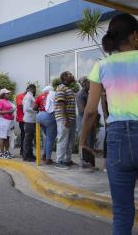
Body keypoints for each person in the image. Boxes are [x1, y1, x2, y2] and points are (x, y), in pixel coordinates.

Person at [79, 13, 138, 235]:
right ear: (135, 35)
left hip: (118, 138)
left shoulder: (102, 66)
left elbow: (91, 111)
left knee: (122, 212)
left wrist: (83, 140)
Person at [54, 71, 77, 169]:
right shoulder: (61, 88)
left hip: (71, 118)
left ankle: (67, 160)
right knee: (63, 139)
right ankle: (59, 161)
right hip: (64, 118)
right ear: (64, 77)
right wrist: (65, 119)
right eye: (70, 75)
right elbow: (61, 103)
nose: (72, 76)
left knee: (70, 140)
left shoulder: (69, 89)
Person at [36, 86, 57, 164]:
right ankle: (48, 159)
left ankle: (44, 155)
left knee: (47, 137)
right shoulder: (53, 94)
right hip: (49, 116)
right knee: (50, 139)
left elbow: (34, 107)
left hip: (39, 116)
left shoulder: (40, 96)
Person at [76, 77, 96, 150]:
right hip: (83, 119)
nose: (91, 84)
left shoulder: (88, 93)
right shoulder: (80, 94)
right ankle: (84, 160)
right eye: (89, 83)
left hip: (89, 118)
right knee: (85, 140)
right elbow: (82, 109)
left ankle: (89, 159)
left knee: (91, 140)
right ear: (84, 84)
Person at [0, 88, 15, 159]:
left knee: (7, 137)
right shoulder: (0, 101)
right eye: (7, 93)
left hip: (9, 121)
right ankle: (2, 153)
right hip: (4, 120)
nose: (9, 94)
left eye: (8, 93)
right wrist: (9, 112)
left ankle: (6, 152)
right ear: (3, 94)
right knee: (3, 137)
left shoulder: (7, 101)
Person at [22, 84, 37, 162]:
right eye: (33, 89)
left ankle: (30, 155)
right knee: (28, 139)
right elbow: (26, 109)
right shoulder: (28, 96)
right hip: (29, 120)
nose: (33, 90)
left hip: (31, 120)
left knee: (30, 139)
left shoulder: (30, 96)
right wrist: (35, 109)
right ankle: (26, 156)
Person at [16, 90, 27, 155]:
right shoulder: (20, 96)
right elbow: (20, 105)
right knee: (23, 135)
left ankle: (24, 150)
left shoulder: (29, 96)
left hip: (28, 119)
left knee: (26, 135)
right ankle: (22, 150)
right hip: (22, 119)